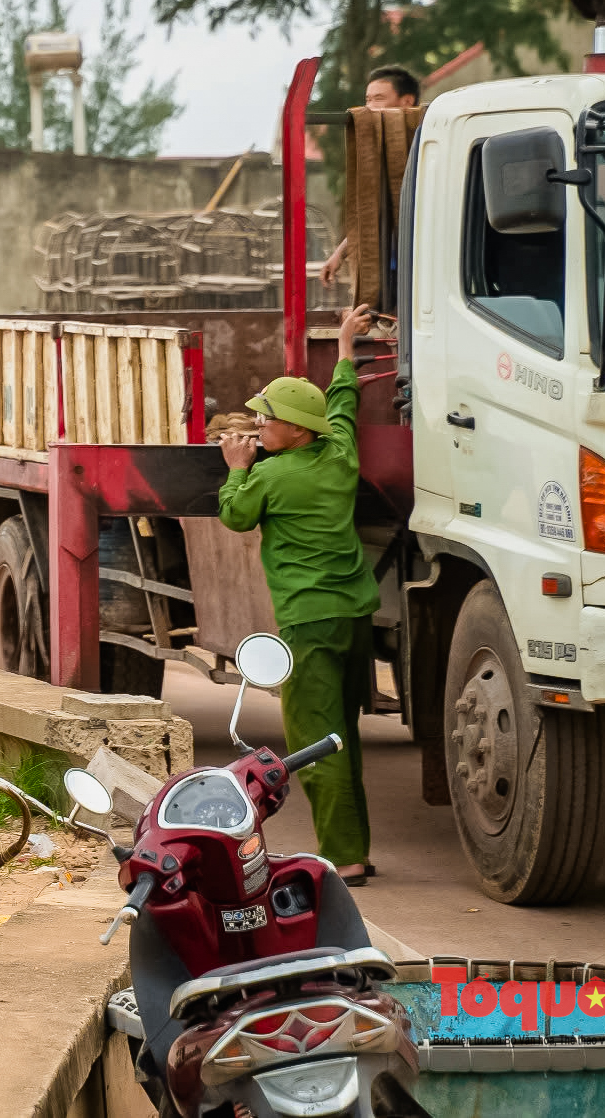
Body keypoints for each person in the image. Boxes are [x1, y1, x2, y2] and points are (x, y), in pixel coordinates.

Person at [217, 302, 379, 885]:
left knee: (316, 743)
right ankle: (355, 844)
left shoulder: (270, 476)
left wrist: (237, 465)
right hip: (355, 616)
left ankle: (346, 857)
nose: (259, 426)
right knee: (348, 736)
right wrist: (343, 348)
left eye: (268, 420)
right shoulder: (338, 456)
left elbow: (235, 515)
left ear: (295, 432)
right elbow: (343, 403)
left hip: (308, 624)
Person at [318, 66, 422, 284]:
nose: (369, 107)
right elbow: (372, 212)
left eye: (378, 99)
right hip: (389, 269)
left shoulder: (425, 144)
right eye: (368, 100)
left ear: (407, 101)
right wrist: (339, 254)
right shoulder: (379, 149)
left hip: (421, 265)